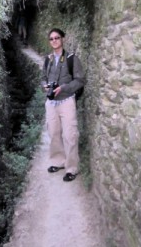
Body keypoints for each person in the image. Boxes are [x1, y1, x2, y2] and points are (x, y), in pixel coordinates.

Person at [42, 28, 85, 182]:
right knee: (53, 133)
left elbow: (80, 80)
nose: (54, 41)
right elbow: (43, 78)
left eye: (57, 38)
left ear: (63, 39)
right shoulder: (47, 60)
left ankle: (72, 168)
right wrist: (45, 86)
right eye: (51, 38)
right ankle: (58, 161)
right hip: (51, 103)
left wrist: (63, 88)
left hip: (67, 101)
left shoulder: (72, 59)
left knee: (70, 135)